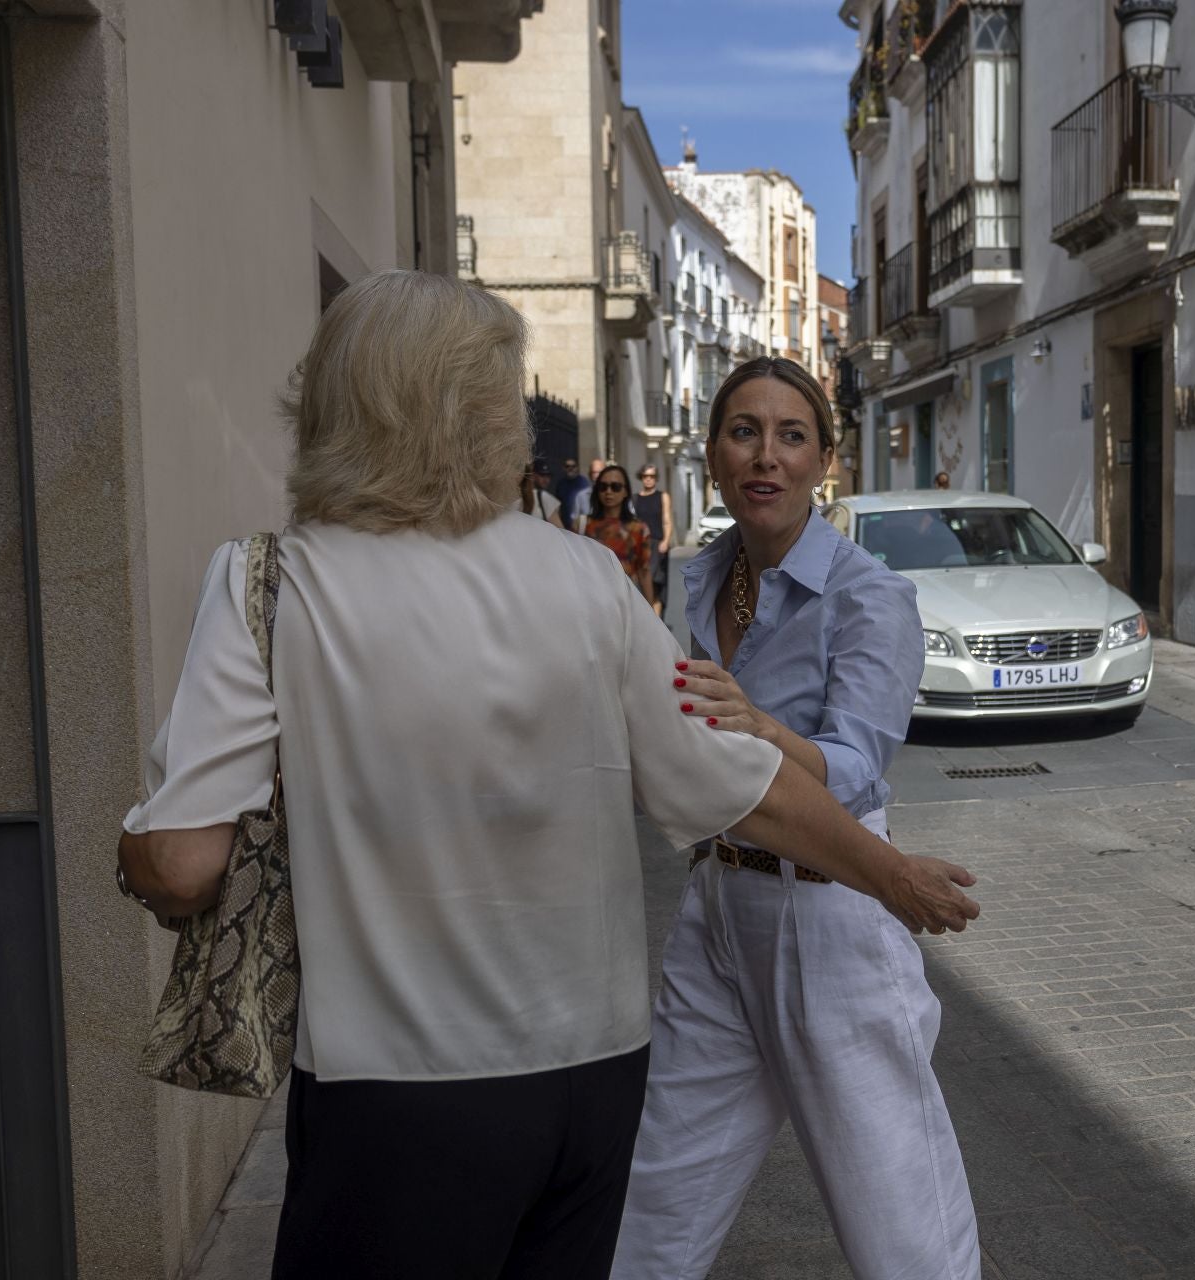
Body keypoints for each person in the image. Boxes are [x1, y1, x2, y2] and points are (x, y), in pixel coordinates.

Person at [113, 273, 979, 1280]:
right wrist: (891, 872)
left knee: (891, 1196)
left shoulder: (269, 582)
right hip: (588, 1074)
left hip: (397, 1083)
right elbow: (730, 779)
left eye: (792, 435)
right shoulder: (590, 578)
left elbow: (178, 864)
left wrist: (134, 850)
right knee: (650, 1230)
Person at [612, 357, 983, 1280]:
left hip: (831, 921)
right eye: (744, 431)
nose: (765, 456)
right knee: (653, 1198)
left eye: (791, 436)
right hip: (718, 911)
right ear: (712, 454)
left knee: (902, 1235)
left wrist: (762, 729)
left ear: (824, 459)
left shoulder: (870, 596)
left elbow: (855, 769)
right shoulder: (699, 579)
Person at [584, 464, 654, 602]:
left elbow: (644, 571)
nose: (608, 492)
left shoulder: (639, 529)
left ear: (625, 491)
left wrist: (652, 615)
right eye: (603, 487)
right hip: (590, 599)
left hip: (626, 601)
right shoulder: (583, 525)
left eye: (615, 487)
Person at [635, 464, 673, 616]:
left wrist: (666, 540)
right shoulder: (635, 498)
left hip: (657, 544)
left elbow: (667, 520)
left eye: (652, 476)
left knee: (656, 584)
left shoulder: (662, 496)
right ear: (641, 478)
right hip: (640, 546)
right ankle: (647, 620)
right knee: (641, 585)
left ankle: (657, 622)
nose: (648, 479)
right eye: (645, 476)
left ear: (656, 478)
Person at [519, 459, 564, 526]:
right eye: (542, 475)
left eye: (548, 476)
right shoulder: (543, 496)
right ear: (533, 475)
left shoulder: (543, 496)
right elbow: (560, 530)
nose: (546, 480)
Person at [552, 455, 589, 523]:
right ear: (563, 468)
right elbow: (558, 506)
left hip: (580, 525)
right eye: (567, 466)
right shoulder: (560, 484)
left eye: (573, 466)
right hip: (565, 525)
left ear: (577, 467)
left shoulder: (584, 482)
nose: (570, 468)